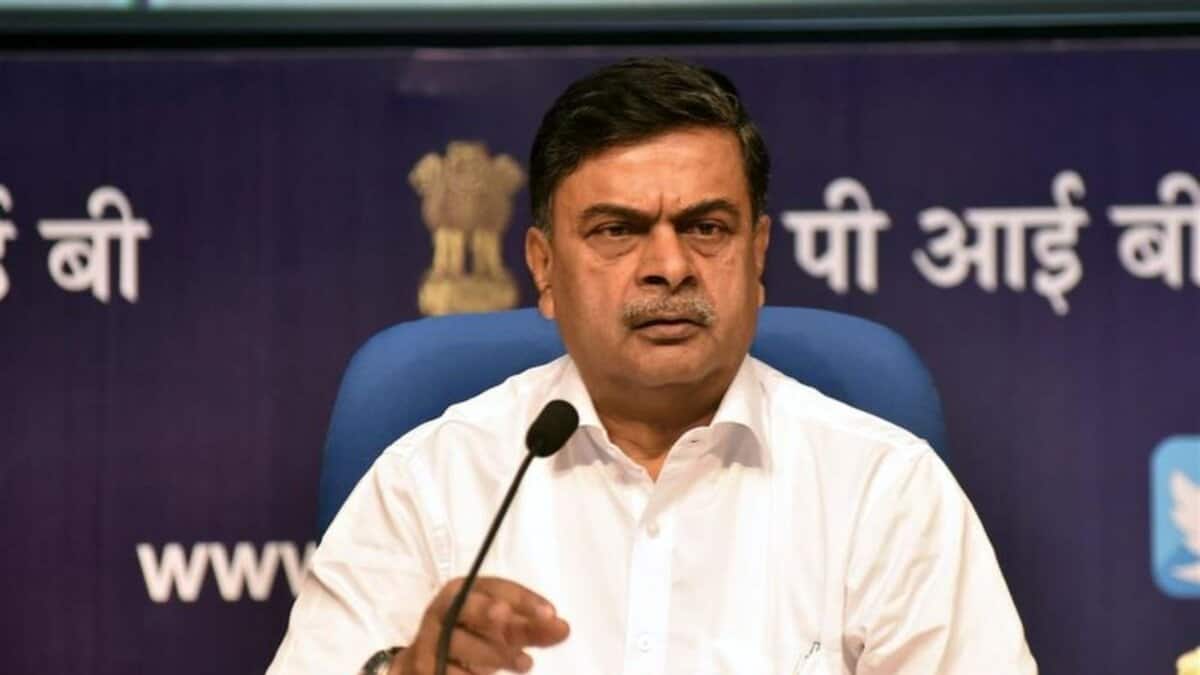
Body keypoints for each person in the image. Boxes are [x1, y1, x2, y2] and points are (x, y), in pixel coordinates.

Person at [266, 57, 1037, 675]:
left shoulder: (884, 489)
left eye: (707, 226)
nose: (670, 265)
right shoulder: (431, 483)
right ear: (543, 267)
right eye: (617, 230)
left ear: (757, 256)